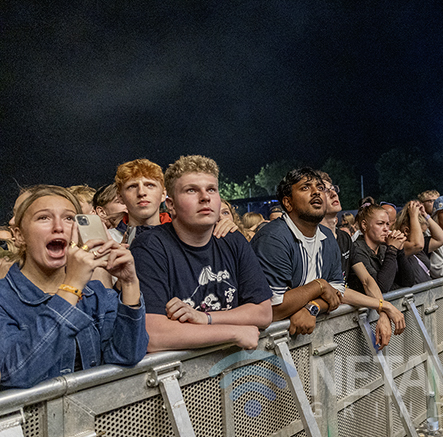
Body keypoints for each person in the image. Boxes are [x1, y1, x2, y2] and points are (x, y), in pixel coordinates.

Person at [1, 185, 148, 388]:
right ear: (19, 235)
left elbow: (126, 356)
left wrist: (130, 283)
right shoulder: (4, 299)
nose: (59, 227)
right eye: (43, 217)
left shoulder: (97, 295)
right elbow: (13, 374)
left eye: (69, 218)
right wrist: (71, 286)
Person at [131, 156, 273, 353]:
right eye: (191, 190)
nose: (205, 197)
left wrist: (205, 318)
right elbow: (152, 335)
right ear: (170, 205)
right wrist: (234, 333)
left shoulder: (232, 239)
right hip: (177, 379)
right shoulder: (150, 247)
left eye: (211, 189)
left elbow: (263, 313)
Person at [252, 168, 404, 343]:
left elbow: (337, 294)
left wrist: (313, 307)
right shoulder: (273, 239)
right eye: (305, 188)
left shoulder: (327, 237)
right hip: (266, 350)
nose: (316, 191)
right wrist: (319, 286)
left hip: (307, 342)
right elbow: (272, 309)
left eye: (319, 187)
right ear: (288, 202)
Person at [319, 173, 402, 347]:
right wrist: (384, 306)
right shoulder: (316, 240)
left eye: (334, 189)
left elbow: (367, 280)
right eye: (326, 191)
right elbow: (336, 290)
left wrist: (383, 312)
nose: (334, 194)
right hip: (320, 330)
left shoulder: (343, 237)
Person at [348, 204, 406, 293]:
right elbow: (380, 287)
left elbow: (408, 281)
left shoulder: (384, 248)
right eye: (380, 223)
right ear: (364, 225)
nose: (386, 229)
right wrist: (392, 249)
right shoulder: (356, 249)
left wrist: (400, 250)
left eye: (387, 224)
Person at [392, 200, 443, 286]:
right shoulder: (399, 246)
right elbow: (417, 245)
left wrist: (425, 215)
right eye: (421, 233)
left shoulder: (420, 247)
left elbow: (442, 239)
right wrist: (413, 216)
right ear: (406, 231)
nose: (423, 236)